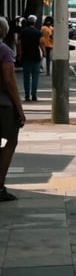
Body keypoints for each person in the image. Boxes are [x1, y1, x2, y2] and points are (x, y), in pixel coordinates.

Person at [0, 16, 25, 202]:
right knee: (11, 141)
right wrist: (20, 109)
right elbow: (10, 82)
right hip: (3, 106)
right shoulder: (4, 51)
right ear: (4, 31)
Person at [18, 15, 43, 102]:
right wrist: (43, 53)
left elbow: (20, 44)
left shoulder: (23, 32)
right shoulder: (38, 32)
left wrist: (20, 54)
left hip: (26, 56)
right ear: (35, 22)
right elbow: (41, 44)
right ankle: (34, 95)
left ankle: (27, 95)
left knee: (26, 77)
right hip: (36, 56)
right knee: (35, 76)